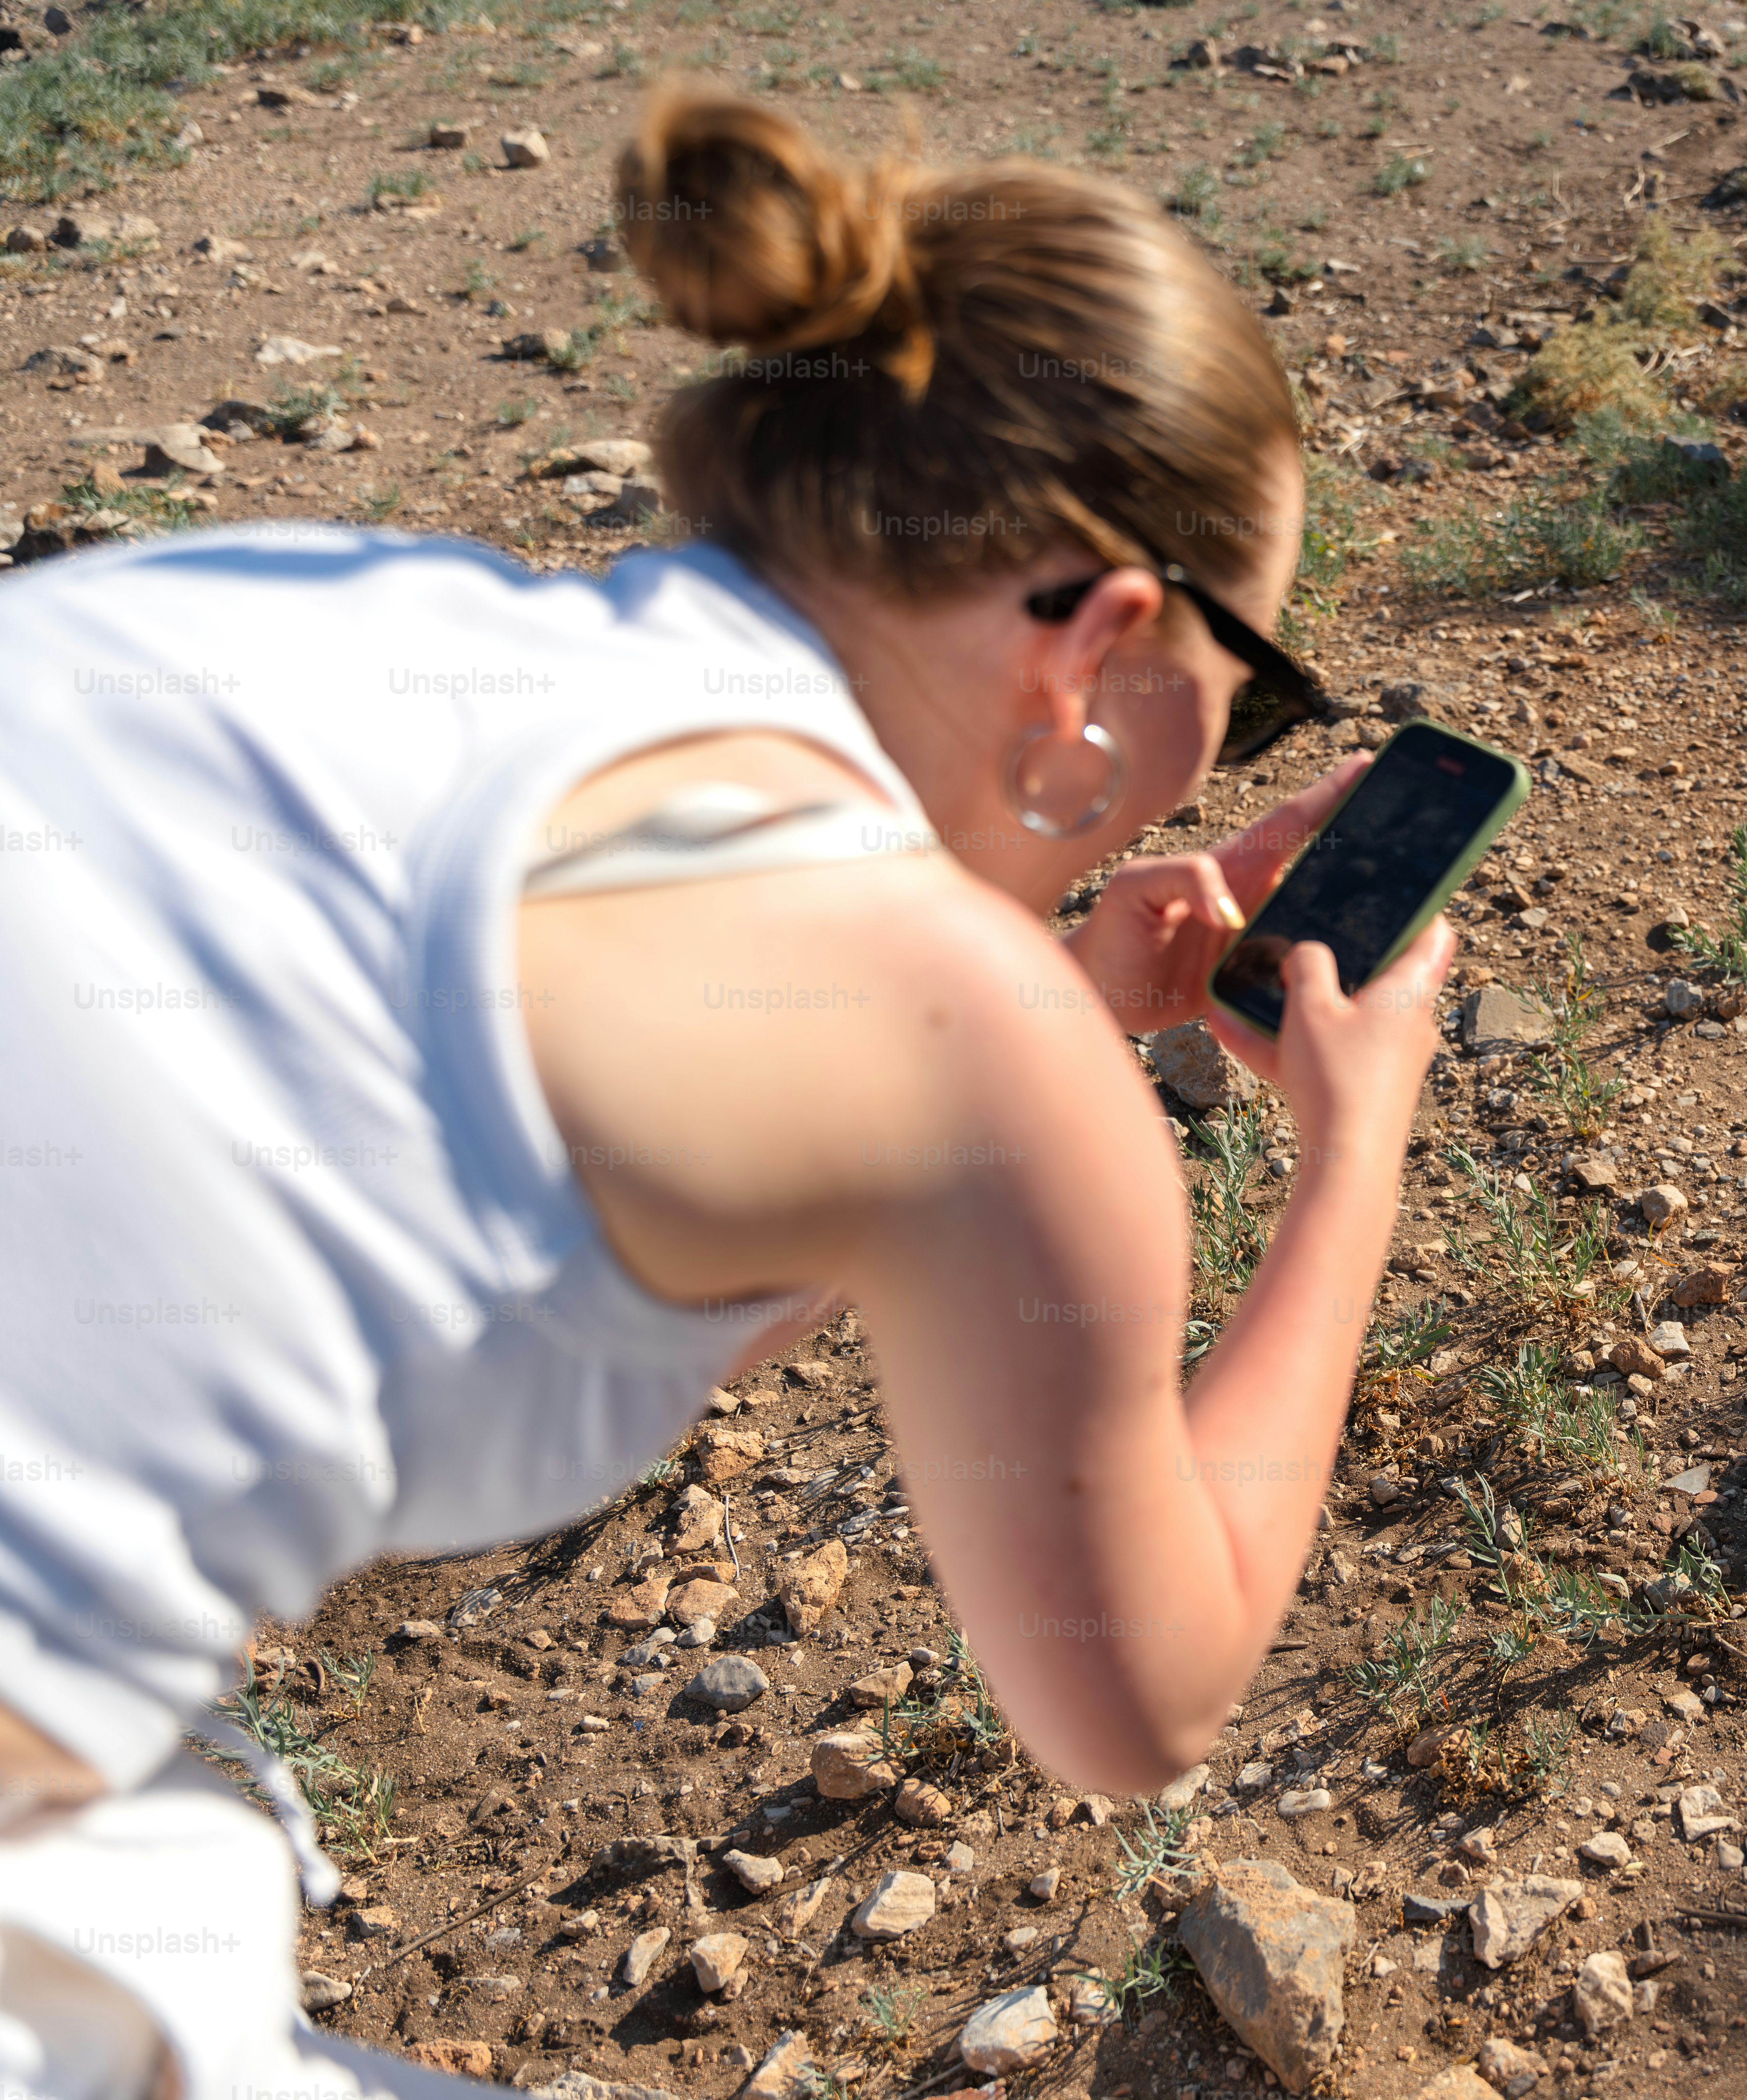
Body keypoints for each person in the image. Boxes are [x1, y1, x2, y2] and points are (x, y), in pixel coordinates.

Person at [0, 80, 1450, 2100]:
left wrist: (1046, 1040)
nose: (1228, 750)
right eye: (1252, 682)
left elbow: (572, 1216)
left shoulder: (337, 615)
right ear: (1103, 641)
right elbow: (1144, 1701)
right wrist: (1350, 1154)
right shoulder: (950, 1038)